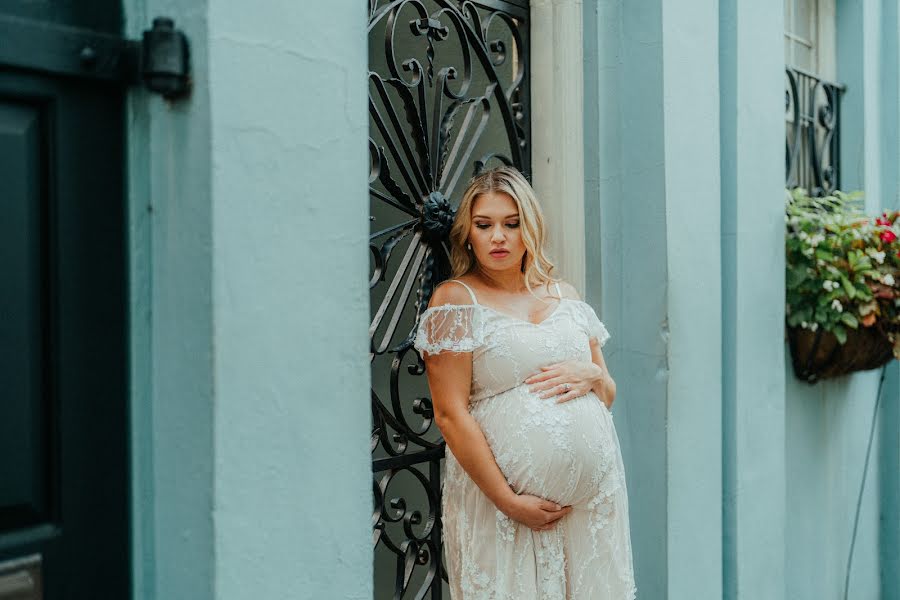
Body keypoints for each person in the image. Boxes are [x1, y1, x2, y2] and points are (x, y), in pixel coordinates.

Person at [412, 166, 636, 599]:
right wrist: (509, 501)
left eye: (511, 225)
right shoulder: (456, 300)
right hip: (506, 510)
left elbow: (607, 392)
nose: (498, 237)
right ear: (468, 233)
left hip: (591, 510)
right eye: (485, 225)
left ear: (529, 228)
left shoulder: (564, 295)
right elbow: (450, 413)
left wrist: (592, 374)